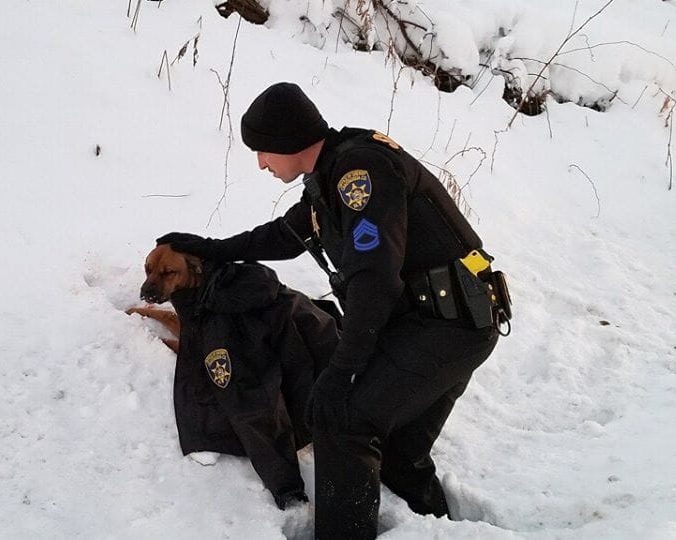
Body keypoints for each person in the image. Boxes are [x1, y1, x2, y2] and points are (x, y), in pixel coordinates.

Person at [158, 82, 503, 538]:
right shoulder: (333, 173)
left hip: (446, 325)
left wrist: (343, 370)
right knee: (397, 448)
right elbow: (286, 235)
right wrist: (211, 248)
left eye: (262, 151)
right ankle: (433, 526)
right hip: (443, 320)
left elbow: (373, 282)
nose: (261, 163)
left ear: (286, 141)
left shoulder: (360, 174)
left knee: (342, 418)